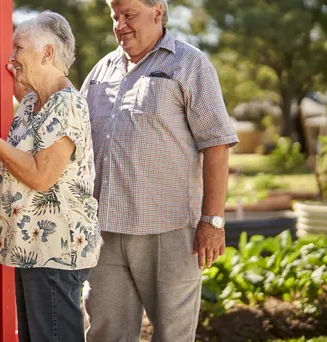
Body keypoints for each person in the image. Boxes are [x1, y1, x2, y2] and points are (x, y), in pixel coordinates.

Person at [80, 0, 239, 341]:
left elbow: (217, 144)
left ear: (157, 12)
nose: (120, 25)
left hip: (169, 232)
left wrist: (212, 220)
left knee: (172, 336)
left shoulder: (190, 64)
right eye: (115, 17)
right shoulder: (101, 71)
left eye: (129, 15)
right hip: (104, 232)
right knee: (105, 334)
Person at [0, 11, 100, 342]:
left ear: (47, 53)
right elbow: (8, 169)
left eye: (18, 48)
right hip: (30, 246)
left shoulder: (67, 105)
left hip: (56, 251)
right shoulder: (29, 105)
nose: (11, 59)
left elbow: (41, 177)